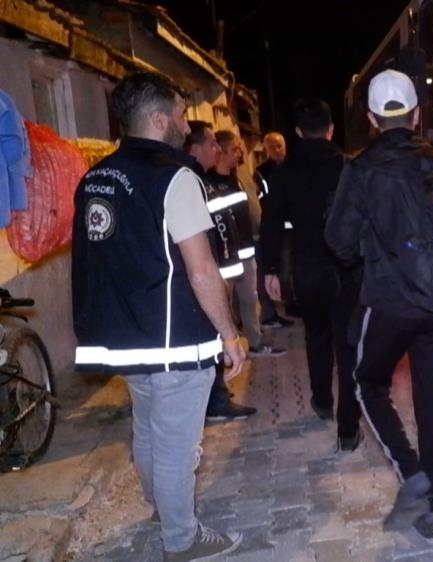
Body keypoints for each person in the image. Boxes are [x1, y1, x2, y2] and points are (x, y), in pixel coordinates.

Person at [72, 72, 245, 561]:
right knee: (176, 446)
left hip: (124, 335)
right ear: (158, 119)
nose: (186, 125)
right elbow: (201, 268)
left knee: (148, 430)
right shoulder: (174, 177)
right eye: (181, 115)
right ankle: (181, 538)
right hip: (173, 335)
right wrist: (229, 334)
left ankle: (163, 512)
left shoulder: (95, 177)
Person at [326, 69, 433, 539]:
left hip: (388, 299)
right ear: (417, 114)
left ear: (371, 118)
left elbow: (338, 241)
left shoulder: (361, 169)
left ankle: (412, 474)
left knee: (365, 382)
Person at [260, 98, 363, 451]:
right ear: (331, 129)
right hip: (346, 269)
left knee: (316, 335)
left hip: (307, 268)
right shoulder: (349, 167)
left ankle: (321, 399)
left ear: (298, 132)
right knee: (348, 345)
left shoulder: (284, 172)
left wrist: (270, 269)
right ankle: (348, 429)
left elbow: (271, 225)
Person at [184, 121, 258, 422]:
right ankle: (214, 401)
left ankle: (216, 396)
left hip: (222, 271)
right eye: (212, 143)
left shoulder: (204, 181)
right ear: (195, 148)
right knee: (212, 335)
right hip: (210, 275)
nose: (217, 149)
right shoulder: (190, 182)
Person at [211, 130, 285, 358]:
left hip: (247, 250)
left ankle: (256, 343)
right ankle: (224, 351)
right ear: (221, 152)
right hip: (224, 258)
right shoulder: (208, 182)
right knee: (223, 304)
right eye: (235, 149)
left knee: (251, 299)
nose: (240, 153)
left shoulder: (240, 177)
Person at [255, 131, 296, 327]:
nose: (277, 150)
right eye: (272, 147)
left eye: (280, 146)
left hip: (296, 226)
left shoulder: (293, 167)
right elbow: (263, 200)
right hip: (275, 227)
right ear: (266, 150)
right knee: (283, 266)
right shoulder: (262, 172)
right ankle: (288, 303)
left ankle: (294, 300)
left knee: (295, 266)